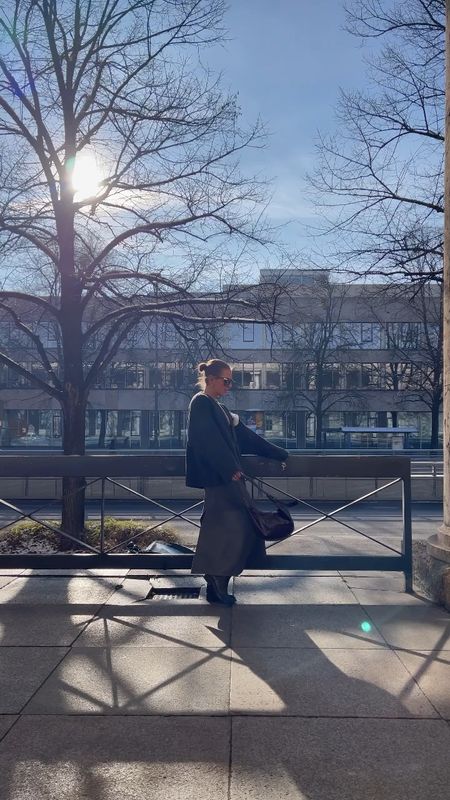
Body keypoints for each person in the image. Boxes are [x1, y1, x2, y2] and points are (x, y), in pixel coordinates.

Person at [186, 358, 289, 606]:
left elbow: (248, 439)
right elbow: (207, 440)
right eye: (226, 380)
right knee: (232, 527)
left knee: (229, 528)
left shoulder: (220, 409)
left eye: (231, 381)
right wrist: (229, 467)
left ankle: (216, 581)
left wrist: (280, 454)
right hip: (221, 478)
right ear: (210, 380)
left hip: (228, 478)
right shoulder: (201, 403)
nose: (230, 386)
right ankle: (216, 581)